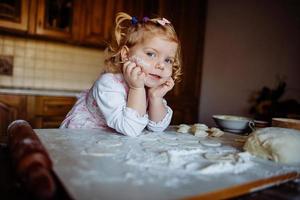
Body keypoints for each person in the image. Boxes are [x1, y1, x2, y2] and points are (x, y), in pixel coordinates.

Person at [60, 12, 182, 136]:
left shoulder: (149, 86)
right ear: (126, 54)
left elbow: (157, 127)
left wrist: (156, 97)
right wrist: (136, 88)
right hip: (85, 137)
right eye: (151, 54)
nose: (161, 65)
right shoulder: (108, 84)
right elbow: (131, 129)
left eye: (168, 60)